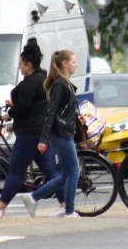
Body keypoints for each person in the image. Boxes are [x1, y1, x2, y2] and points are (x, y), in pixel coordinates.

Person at [0, 40, 59, 218]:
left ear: (29, 65)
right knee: (51, 171)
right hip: (43, 133)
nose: (20, 68)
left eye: (22, 64)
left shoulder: (28, 83)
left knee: (16, 170)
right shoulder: (44, 79)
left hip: (28, 134)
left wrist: (9, 113)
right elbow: (35, 103)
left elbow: (24, 106)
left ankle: (1, 206)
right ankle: (65, 205)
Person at [21, 50, 82, 219]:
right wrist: (43, 139)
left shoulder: (66, 84)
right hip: (61, 134)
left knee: (65, 175)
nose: (76, 64)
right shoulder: (60, 85)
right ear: (65, 64)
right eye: (73, 61)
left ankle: (33, 197)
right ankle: (69, 211)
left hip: (65, 133)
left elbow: (63, 111)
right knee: (74, 173)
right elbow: (50, 112)